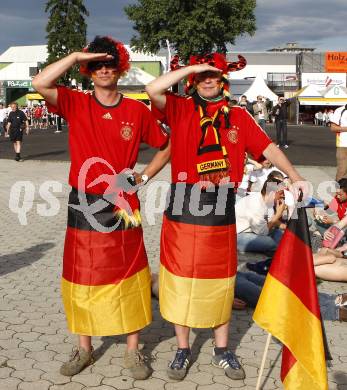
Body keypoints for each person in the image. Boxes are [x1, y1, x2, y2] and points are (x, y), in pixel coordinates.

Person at [146, 51, 306, 381]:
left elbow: (270, 150)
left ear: (223, 80)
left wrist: (295, 176)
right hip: (183, 204)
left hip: (220, 206)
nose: (208, 80)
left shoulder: (238, 116)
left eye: (214, 75)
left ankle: (221, 349)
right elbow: (153, 89)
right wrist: (193, 66)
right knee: (179, 281)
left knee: (222, 280)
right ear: (193, 79)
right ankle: (183, 348)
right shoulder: (180, 109)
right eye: (202, 75)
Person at [32, 35, 170, 379]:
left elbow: (167, 146)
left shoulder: (136, 110)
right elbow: (40, 82)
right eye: (96, 66)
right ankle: (84, 348)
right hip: (83, 202)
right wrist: (77, 53)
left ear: (120, 68)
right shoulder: (75, 102)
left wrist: (144, 176)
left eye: (110, 64)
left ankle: (134, 351)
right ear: (88, 71)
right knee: (84, 276)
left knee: (130, 274)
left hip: (123, 203)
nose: (104, 70)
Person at [234, 271, 347, 321]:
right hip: (229, 288)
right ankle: (335, 312)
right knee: (278, 300)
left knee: (283, 287)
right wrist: (229, 300)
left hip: (236, 274)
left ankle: (333, 299)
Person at [236, 176, 286, 254]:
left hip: (254, 231)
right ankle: (275, 250)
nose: (283, 196)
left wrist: (284, 226)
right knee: (269, 242)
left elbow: (269, 220)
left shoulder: (267, 201)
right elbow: (262, 232)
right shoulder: (255, 204)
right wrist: (278, 215)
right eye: (281, 193)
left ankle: (277, 249)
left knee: (281, 234)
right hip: (238, 235)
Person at [330, 104, 347, 181]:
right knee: (342, 171)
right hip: (343, 145)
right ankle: (339, 192)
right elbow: (333, 128)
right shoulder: (340, 110)